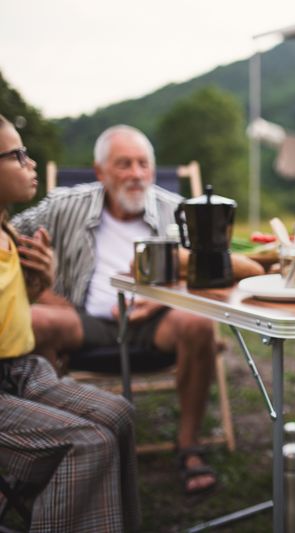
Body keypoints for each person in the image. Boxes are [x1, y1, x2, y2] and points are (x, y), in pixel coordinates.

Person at [12, 124, 219, 496]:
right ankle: (56, 438)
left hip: (155, 321)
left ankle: (188, 443)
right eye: (124, 164)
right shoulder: (65, 205)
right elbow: (9, 230)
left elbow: (209, 270)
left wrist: (162, 297)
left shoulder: (178, 211)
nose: (137, 174)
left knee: (200, 324)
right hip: (83, 319)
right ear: (100, 172)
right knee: (35, 320)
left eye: (144, 164)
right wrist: (41, 289)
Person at [0, 114, 140, 531]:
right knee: (87, 444)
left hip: (20, 370)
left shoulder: (7, 230)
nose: (31, 162)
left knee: (119, 414)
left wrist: (37, 281)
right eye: (16, 154)